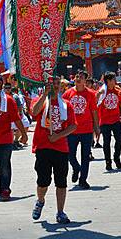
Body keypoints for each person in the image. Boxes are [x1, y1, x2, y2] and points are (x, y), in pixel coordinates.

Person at [31, 77, 77, 224]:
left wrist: (58, 136)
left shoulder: (66, 105)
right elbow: (34, 112)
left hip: (60, 147)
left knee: (61, 182)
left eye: (57, 84)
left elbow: (72, 126)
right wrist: (45, 95)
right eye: (52, 84)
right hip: (43, 146)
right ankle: (40, 200)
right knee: (43, 181)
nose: (55, 87)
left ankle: (60, 212)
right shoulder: (41, 101)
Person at [62, 70, 99, 189]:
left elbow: (94, 111)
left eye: (81, 77)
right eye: (77, 76)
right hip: (71, 130)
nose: (78, 78)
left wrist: (96, 126)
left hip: (86, 130)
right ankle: (76, 168)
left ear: (85, 81)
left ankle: (83, 180)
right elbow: (63, 110)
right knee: (70, 155)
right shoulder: (67, 93)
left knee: (85, 156)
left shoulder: (91, 94)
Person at [97, 72, 121, 171]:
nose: (115, 81)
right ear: (108, 81)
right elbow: (95, 103)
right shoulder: (102, 92)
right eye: (113, 79)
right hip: (104, 121)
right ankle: (108, 161)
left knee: (119, 140)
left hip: (116, 120)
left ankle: (116, 157)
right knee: (106, 142)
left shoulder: (118, 91)